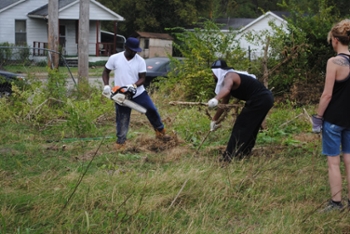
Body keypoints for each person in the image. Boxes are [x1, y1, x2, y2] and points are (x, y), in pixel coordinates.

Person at [102, 37, 170, 150]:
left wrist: (133, 86)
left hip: (138, 93)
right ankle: (121, 143)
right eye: (131, 50)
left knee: (151, 110)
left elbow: (142, 78)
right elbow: (106, 72)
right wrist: (106, 85)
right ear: (126, 47)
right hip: (121, 95)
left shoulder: (140, 61)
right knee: (122, 118)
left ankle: (160, 130)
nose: (133, 52)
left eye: (135, 50)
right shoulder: (115, 58)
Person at [312, 19, 350, 211]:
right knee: (349, 159)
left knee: (333, 162)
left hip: (334, 119)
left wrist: (318, 118)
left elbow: (327, 94)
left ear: (335, 40)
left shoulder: (334, 62)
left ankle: (336, 203)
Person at [207, 59, 274, 162]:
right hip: (264, 99)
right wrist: (214, 120)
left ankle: (229, 158)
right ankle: (243, 154)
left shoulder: (230, 76)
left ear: (218, 71)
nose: (212, 75)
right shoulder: (228, 79)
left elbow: (227, 89)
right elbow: (224, 103)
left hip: (260, 99)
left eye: (213, 73)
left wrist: (215, 98)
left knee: (241, 127)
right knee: (251, 128)